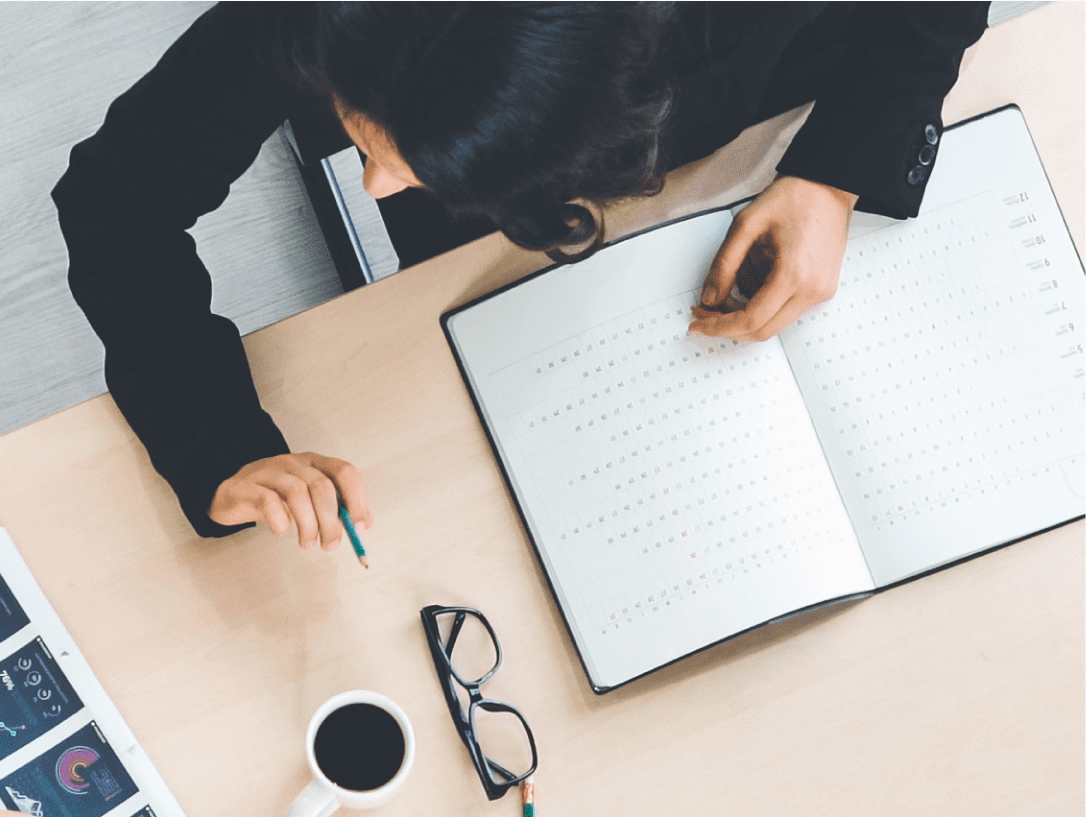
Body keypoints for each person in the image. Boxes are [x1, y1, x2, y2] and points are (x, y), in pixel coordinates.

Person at [53, 2, 990, 551]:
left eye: (387, 158)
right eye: (369, 136)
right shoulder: (311, 22)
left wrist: (837, 169)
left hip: (781, 86)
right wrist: (218, 446)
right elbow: (117, 203)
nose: (372, 185)